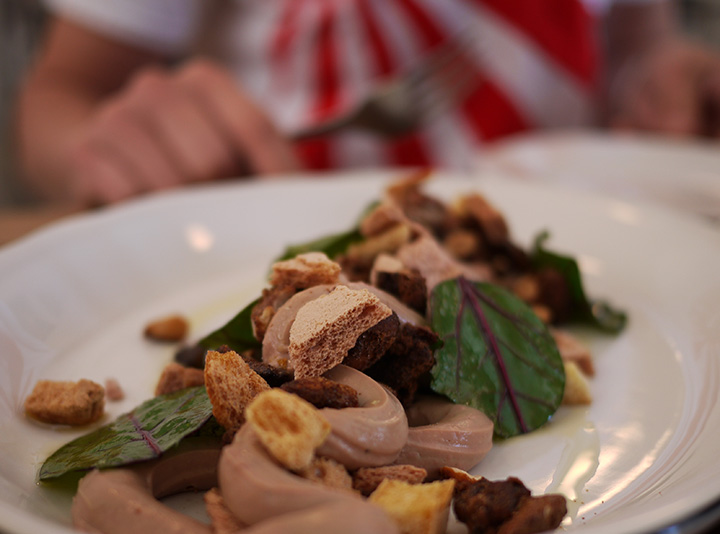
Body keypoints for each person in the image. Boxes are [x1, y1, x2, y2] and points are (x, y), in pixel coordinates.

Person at [14, 0, 720, 205]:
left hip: (579, 253)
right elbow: (61, 93)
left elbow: (635, 39)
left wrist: (658, 82)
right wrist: (109, 149)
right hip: (282, 256)